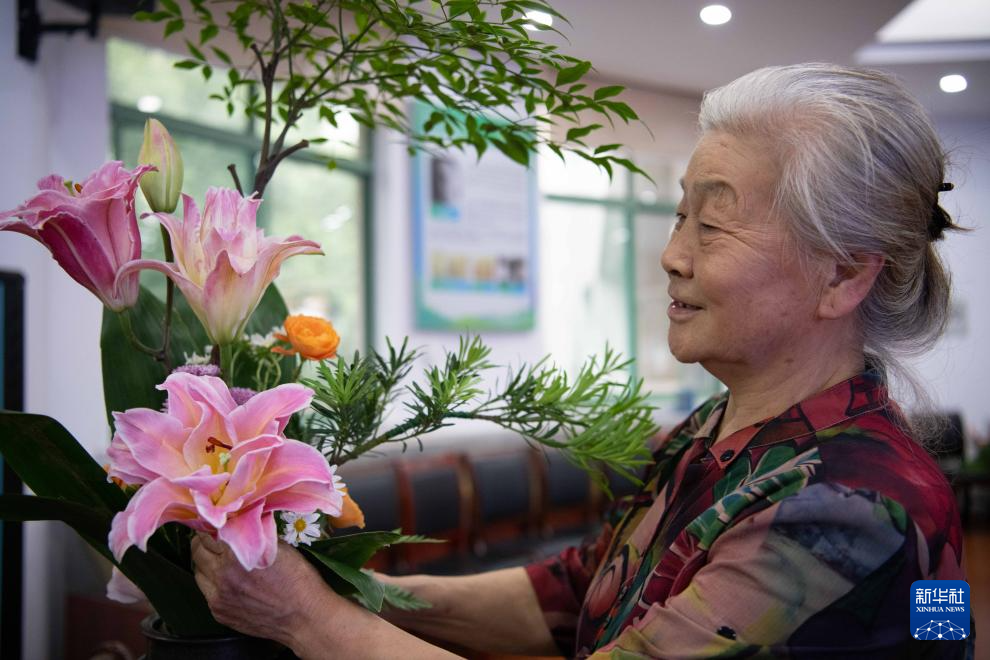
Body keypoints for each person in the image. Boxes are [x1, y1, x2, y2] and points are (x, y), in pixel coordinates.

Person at [192, 63, 970, 659]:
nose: (672, 255)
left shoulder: (848, 506)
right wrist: (358, 590)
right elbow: (572, 594)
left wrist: (308, 619)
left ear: (842, 275)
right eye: (680, 216)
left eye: (713, 226)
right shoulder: (714, 433)